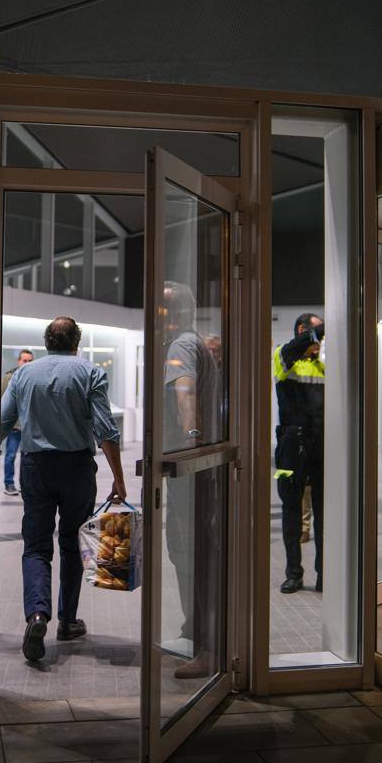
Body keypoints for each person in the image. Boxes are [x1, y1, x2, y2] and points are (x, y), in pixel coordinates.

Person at [0, 316, 126, 662]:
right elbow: (105, 429)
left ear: (45, 342)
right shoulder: (90, 373)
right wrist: (119, 477)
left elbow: (0, 420)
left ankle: (37, 614)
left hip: (36, 468)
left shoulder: (24, 374)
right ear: (77, 342)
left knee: (37, 547)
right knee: (72, 545)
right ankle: (67, 621)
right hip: (76, 469)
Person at [163, 281, 222, 679]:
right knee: (185, 550)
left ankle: (207, 646)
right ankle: (194, 629)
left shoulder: (181, 346)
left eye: (162, 308)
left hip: (189, 469)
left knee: (192, 551)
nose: (157, 315)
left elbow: (186, 395)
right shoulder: (192, 343)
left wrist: (190, 444)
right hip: (193, 468)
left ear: (178, 312)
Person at [273, 313, 325, 594]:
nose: (321, 340)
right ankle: (294, 574)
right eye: (318, 333)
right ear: (303, 330)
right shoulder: (283, 357)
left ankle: (324, 574)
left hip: (321, 445)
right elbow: (297, 346)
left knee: (323, 511)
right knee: (291, 508)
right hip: (290, 447)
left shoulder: (324, 368)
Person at [0, 349, 34, 494]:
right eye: (25, 360)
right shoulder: (9, 378)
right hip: (14, 426)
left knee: (27, 458)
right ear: (19, 361)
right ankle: (9, 484)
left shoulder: (34, 377)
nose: (27, 363)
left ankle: (24, 485)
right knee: (11, 455)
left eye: (30, 361)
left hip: (29, 426)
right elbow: (3, 401)